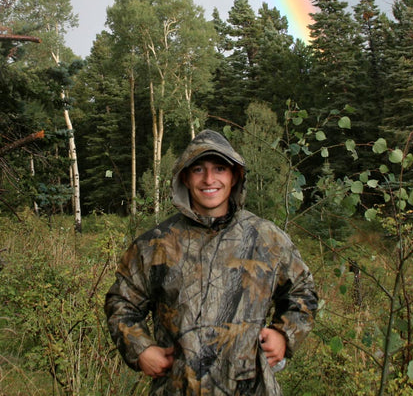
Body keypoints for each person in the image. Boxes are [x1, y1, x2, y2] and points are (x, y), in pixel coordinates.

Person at [105, 129, 317, 395]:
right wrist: (142, 349)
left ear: (234, 176)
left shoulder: (266, 239)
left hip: (251, 388)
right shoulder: (155, 244)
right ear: (184, 176)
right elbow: (121, 303)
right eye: (198, 170)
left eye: (219, 168)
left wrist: (284, 334)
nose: (209, 179)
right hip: (178, 388)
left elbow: (302, 291)